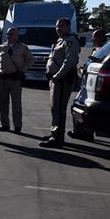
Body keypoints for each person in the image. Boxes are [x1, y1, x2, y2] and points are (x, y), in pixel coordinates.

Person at [39, 18, 80, 148]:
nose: (58, 29)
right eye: (57, 26)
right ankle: (54, 133)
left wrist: (57, 76)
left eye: (61, 26)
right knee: (54, 108)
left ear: (68, 27)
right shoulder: (60, 40)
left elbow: (69, 62)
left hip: (62, 80)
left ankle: (57, 139)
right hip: (55, 80)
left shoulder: (70, 41)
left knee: (59, 109)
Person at [0, 27, 33, 134]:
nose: (9, 36)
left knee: (16, 104)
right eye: (8, 34)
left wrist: (23, 69)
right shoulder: (1, 47)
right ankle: (4, 124)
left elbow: (31, 59)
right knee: (3, 103)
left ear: (17, 35)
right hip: (3, 79)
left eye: (12, 34)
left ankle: (17, 126)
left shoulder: (22, 47)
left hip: (15, 79)